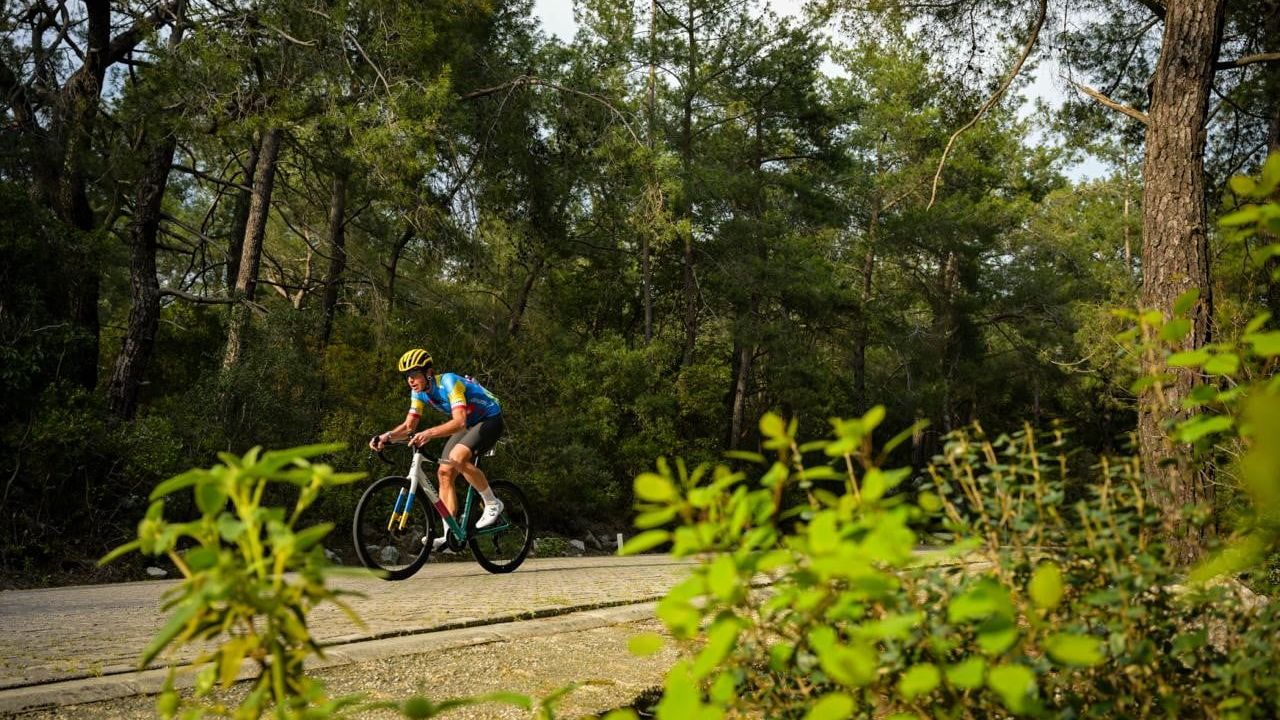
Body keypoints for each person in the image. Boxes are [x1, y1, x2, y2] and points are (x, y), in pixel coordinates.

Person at [370, 348, 505, 550]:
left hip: (490, 418)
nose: (410, 380)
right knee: (444, 472)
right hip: (470, 423)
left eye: (414, 375)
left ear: (429, 373)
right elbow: (409, 427)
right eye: (407, 376)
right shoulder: (418, 393)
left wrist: (429, 433)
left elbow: (459, 422)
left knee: (457, 457)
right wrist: (386, 436)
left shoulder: (449, 382)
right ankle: (451, 534)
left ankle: (492, 502)